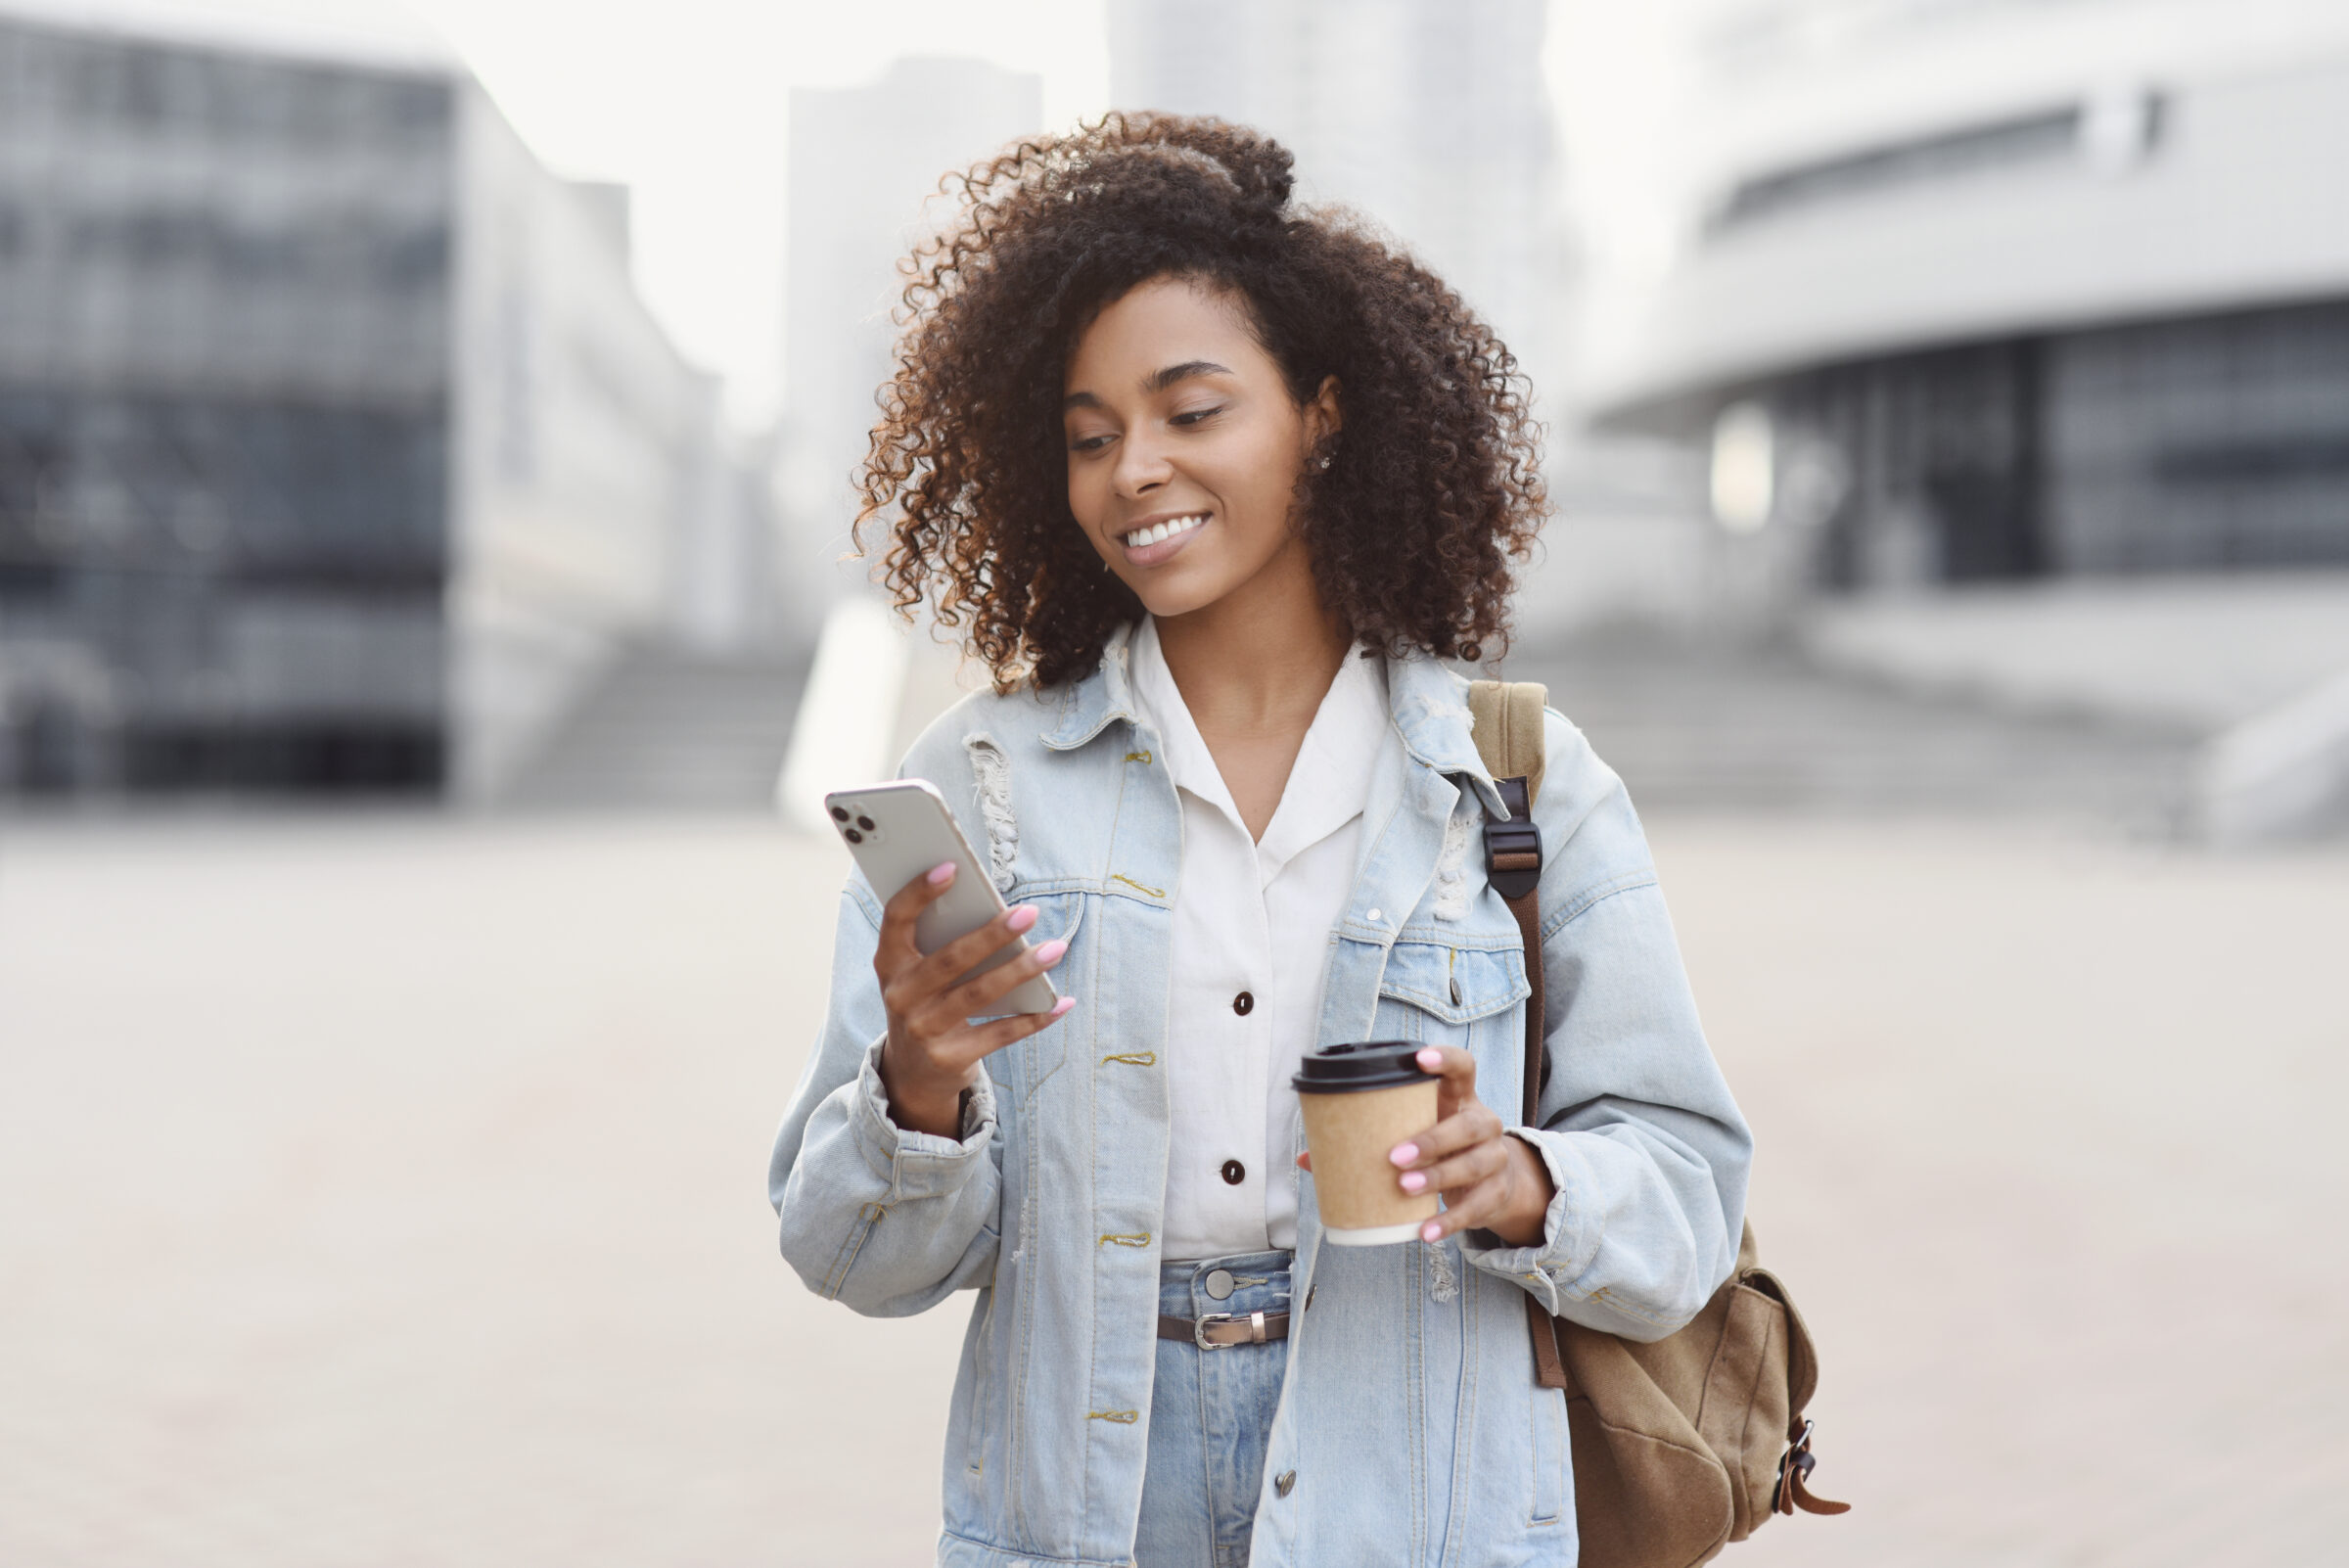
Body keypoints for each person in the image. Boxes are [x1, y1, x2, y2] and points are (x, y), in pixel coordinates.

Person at [769, 115, 1751, 1568]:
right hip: (1087, 1501)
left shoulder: (1517, 778)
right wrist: (918, 1088)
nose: (1133, 471)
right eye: (1090, 435)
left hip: (1421, 1490)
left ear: (1324, 415)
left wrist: (1526, 1179)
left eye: (1191, 409)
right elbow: (845, 1249)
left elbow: (1687, 1187)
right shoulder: (979, 781)